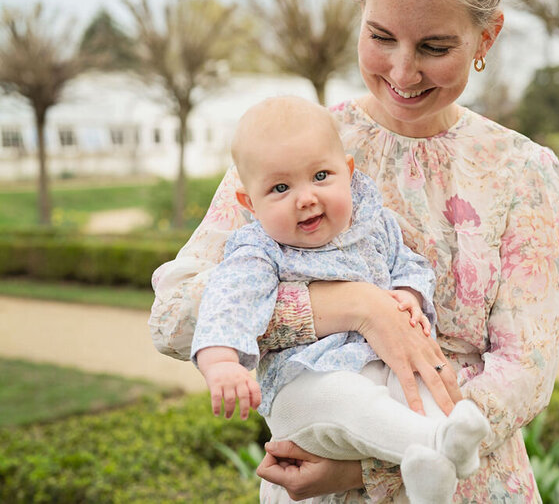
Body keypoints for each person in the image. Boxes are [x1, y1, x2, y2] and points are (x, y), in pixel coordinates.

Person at [149, 0, 559, 501]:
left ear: (486, 37)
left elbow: (525, 372)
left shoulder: (524, 171)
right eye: (381, 37)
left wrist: (369, 467)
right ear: (360, 10)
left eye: (434, 47)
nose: (403, 70)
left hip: (472, 482)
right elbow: (173, 319)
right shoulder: (293, 148)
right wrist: (356, 306)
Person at [192, 95, 490, 504]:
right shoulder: (260, 249)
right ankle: (438, 441)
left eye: (320, 176)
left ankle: (431, 473)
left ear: (347, 173)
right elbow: (228, 301)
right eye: (280, 187)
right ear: (249, 203)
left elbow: (410, 265)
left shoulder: (374, 222)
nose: (306, 197)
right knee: (347, 396)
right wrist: (221, 361)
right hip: (304, 388)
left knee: (420, 380)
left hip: (382, 371)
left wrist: (406, 295)